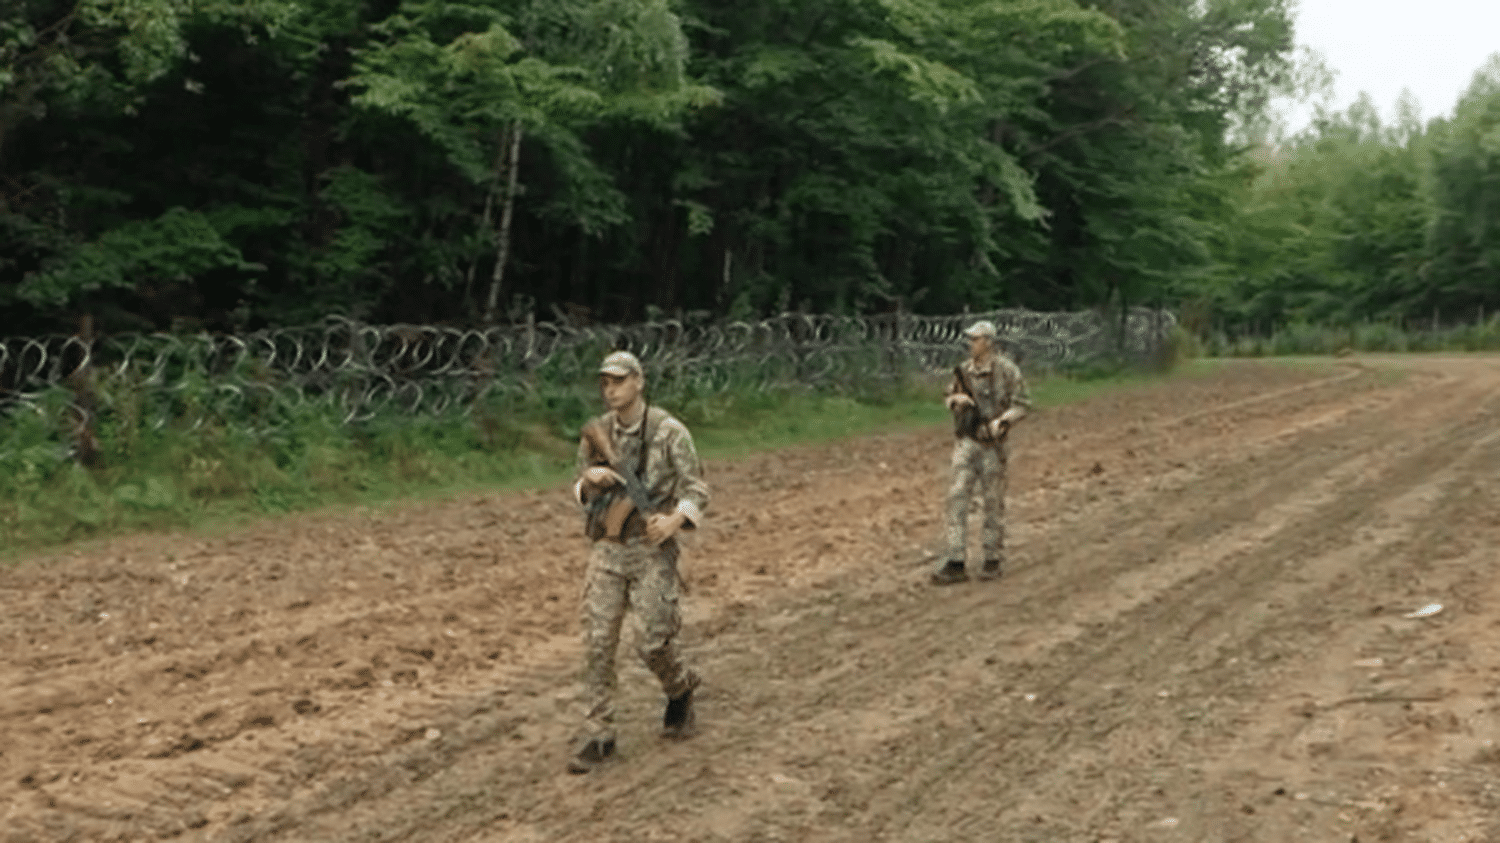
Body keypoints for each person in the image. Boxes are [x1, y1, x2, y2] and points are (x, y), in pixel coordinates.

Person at [566, 350, 709, 773]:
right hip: (608, 547)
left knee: (652, 642)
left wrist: (674, 521)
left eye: (619, 381)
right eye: (606, 383)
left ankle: (680, 688)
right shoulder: (598, 434)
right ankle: (599, 734)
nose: (611, 390)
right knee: (597, 642)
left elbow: (697, 489)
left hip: (651, 548)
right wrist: (589, 483)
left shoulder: (669, 433)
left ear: (639, 382)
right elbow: (578, 491)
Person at [932, 320, 1031, 585]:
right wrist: (957, 401)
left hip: (993, 446)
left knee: (992, 502)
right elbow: (948, 397)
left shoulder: (1007, 371)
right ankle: (956, 560)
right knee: (956, 499)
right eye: (970, 339)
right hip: (967, 441)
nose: (970, 344)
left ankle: (992, 558)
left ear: (988, 341)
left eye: (975, 339)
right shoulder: (963, 372)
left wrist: (1003, 422)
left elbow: (1022, 404)